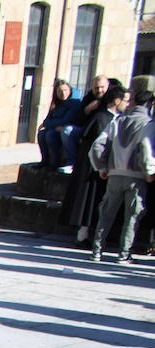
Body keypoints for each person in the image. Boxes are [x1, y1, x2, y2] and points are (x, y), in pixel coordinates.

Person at [88, 88, 155, 263]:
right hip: (137, 177)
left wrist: (101, 167)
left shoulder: (118, 121)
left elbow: (96, 146)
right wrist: (149, 172)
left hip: (114, 174)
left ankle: (97, 251)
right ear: (150, 104)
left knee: (106, 214)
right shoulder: (149, 123)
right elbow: (147, 149)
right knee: (132, 217)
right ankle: (124, 254)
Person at [61, 81, 126, 246]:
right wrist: (102, 167)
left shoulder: (110, 118)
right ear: (116, 101)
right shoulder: (103, 118)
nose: (127, 104)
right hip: (93, 169)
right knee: (88, 202)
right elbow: (97, 146)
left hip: (96, 168)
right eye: (125, 100)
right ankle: (82, 236)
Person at [38, 80, 85, 171]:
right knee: (42, 134)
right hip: (56, 128)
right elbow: (47, 120)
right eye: (60, 91)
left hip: (68, 128)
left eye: (65, 90)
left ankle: (56, 163)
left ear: (70, 90)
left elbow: (67, 119)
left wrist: (49, 124)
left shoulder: (75, 103)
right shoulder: (56, 104)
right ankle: (45, 161)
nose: (63, 93)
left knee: (50, 135)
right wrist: (49, 124)